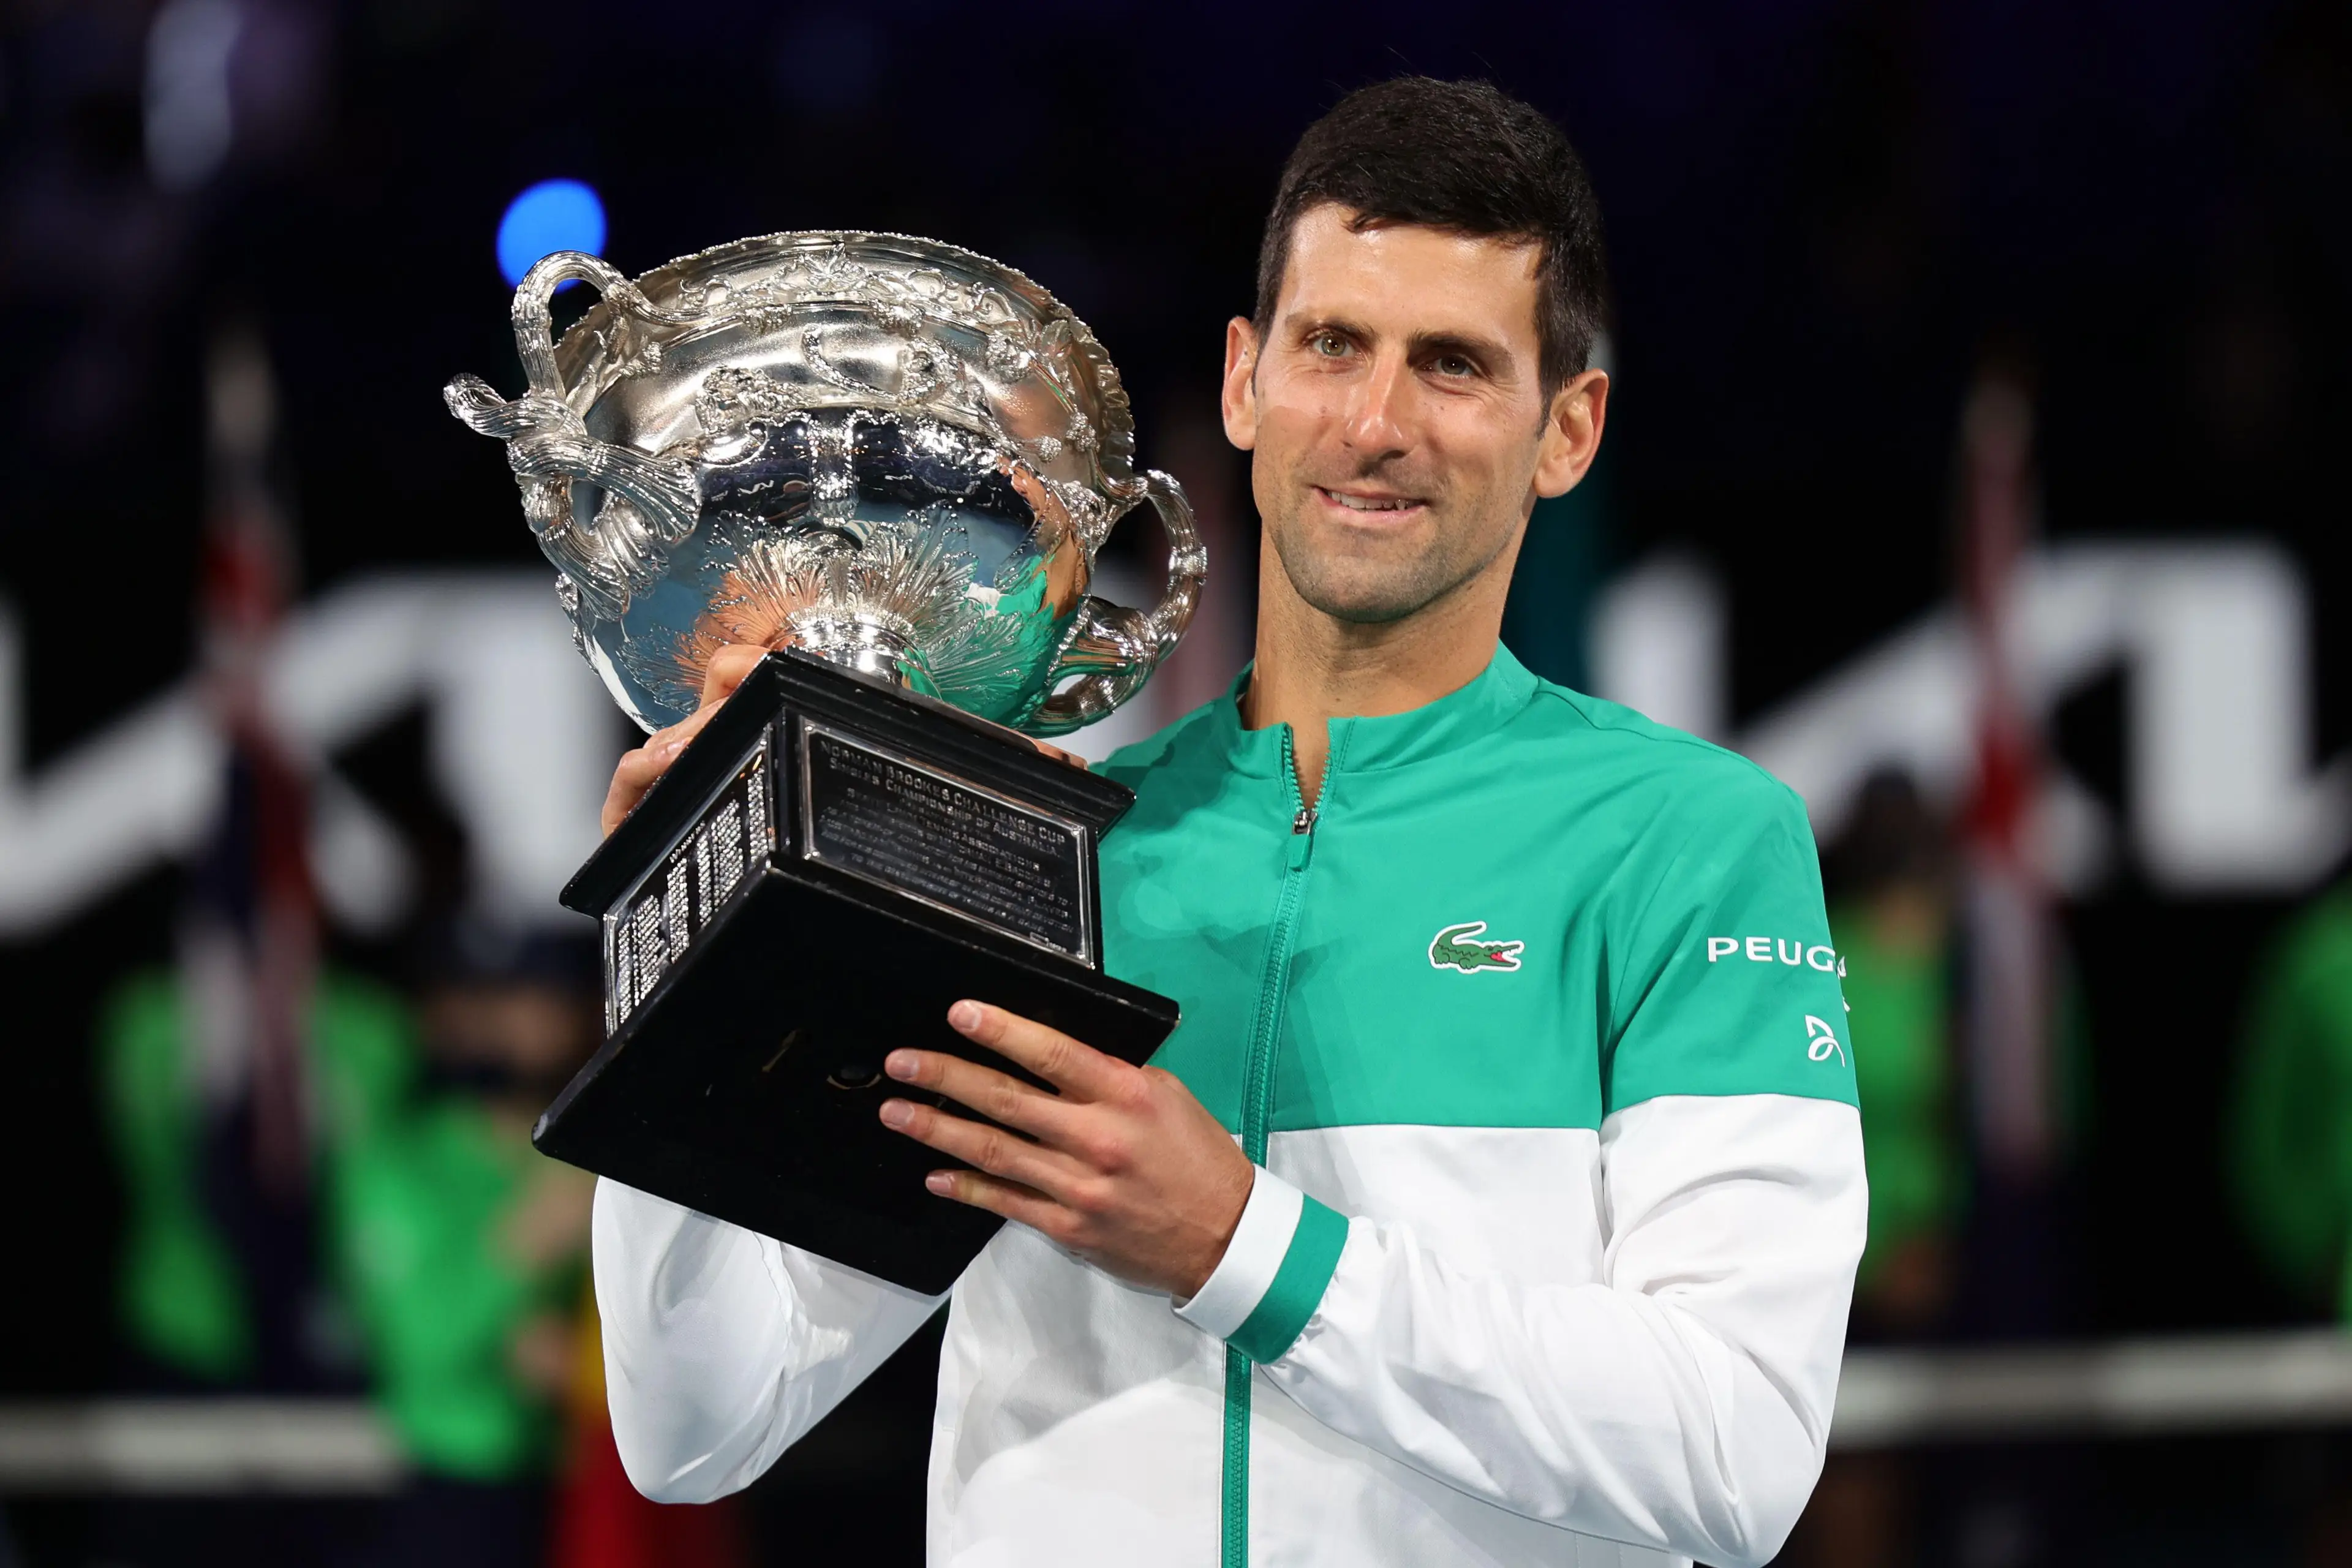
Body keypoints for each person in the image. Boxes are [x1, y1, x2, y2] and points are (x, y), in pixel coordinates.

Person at [590, 77, 1866, 1568]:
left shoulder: (1690, 840)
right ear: (1247, 379)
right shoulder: (1040, 848)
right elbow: (696, 1426)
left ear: (1567, 428)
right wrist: (678, 945)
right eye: (1335, 345)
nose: (1376, 422)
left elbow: (1736, 1450)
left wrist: (1242, 1245)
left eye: (1452, 365)